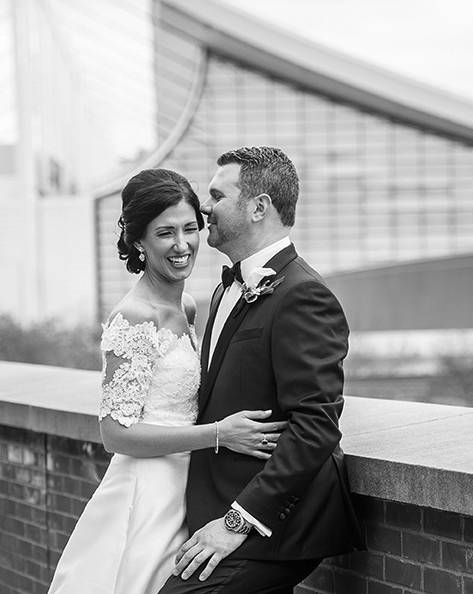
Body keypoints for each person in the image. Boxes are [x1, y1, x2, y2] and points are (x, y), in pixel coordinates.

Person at [49, 169, 287, 594]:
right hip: (148, 494)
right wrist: (219, 434)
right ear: (139, 241)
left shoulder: (189, 306)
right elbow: (114, 435)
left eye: (190, 228)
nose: (182, 245)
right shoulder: (134, 316)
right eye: (165, 233)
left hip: (193, 489)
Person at [159, 147, 364, 594]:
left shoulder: (304, 295)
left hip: (271, 530)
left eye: (217, 195)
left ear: (258, 207)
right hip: (212, 512)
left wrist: (237, 522)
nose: (205, 207)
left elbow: (316, 427)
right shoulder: (226, 286)